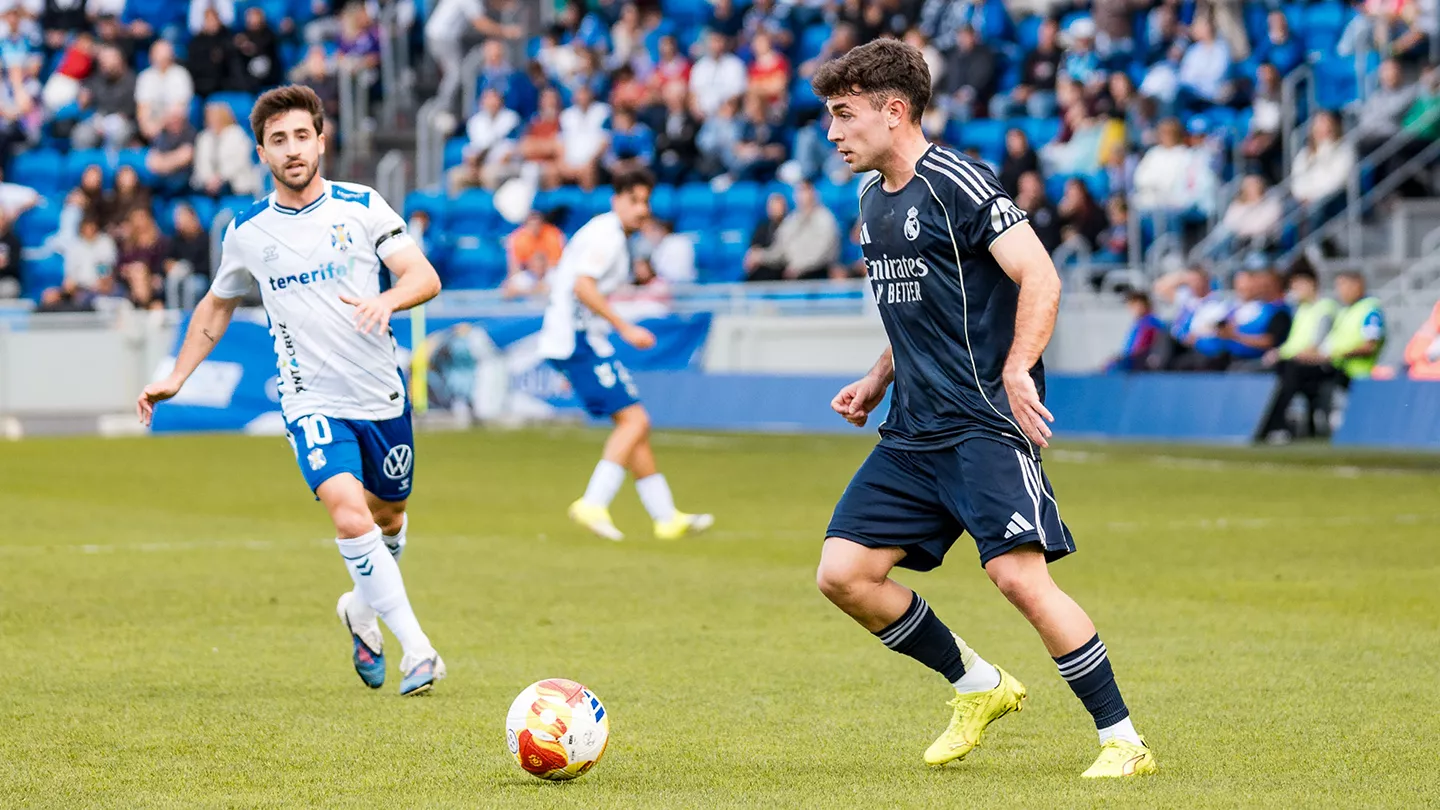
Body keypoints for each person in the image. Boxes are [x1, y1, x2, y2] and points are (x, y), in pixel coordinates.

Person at [811, 38, 1156, 778]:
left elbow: (1041, 275)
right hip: (912, 430)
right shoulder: (871, 200)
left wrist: (1019, 368)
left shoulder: (960, 184)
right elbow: (923, 308)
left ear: (894, 111)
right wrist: (878, 376)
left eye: (843, 116)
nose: (833, 133)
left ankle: (1123, 740)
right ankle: (979, 685)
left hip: (981, 422)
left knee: (1018, 579)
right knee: (843, 574)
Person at [135, 85, 447, 697]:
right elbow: (217, 305)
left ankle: (360, 609)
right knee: (349, 513)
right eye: (278, 140)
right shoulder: (247, 230)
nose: (292, 149)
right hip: (310, 401)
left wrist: (387, 298)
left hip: (381, 397)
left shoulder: (362, 205)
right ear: (262, 152)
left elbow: (424, 275)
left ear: (322, 140)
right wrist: (176, 374)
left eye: (302, 136)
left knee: (389, 517)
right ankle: (420, 650)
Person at [538, 168, 713, 542]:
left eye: (646, 201)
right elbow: (583, 286)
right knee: (634, 422)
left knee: (635, 426)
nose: (641, 209)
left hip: (585, 338)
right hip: (577, 340)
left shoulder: (610, 233)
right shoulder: (609, 237)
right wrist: (625, 326)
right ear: (616, 199)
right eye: (634, 200)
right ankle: (592, 502)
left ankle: (666, 517)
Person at [1253, 264, 1339, 442]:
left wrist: (1289, 355)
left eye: (1298, 286)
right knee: (1275, 368)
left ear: (1311, 284)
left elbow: (1317, 344)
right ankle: (1264, 425)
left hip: (1321, 364)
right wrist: (1277, 353)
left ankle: (1278, 427)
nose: (1295, 291)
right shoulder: (1302, 309)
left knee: (1288, 375)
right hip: (1297, 360)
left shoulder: (1325, 307)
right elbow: (1293, 343)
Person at [1108, 291, 1165, 372]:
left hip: (1137, 363)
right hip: (1131, 360)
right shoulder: (1139, 323)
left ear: (1143, 305)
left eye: (1134, 305)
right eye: (1131, 306)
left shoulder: (1150, 323)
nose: (1132, 309)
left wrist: (1122, 360)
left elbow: (1140, 348)